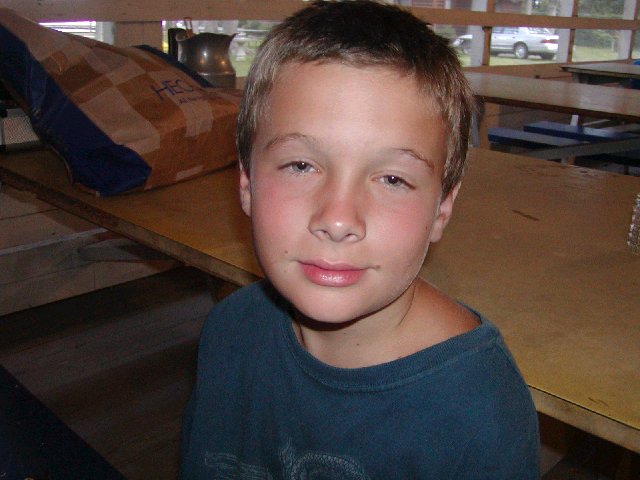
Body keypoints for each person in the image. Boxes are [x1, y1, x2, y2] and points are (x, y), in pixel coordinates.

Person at [180, 1, 540, 478]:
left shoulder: (481, 414)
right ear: (246, 183)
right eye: (300, 165)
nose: (337, 220)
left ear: (442, 208)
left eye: (392, 179)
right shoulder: (229, 332)